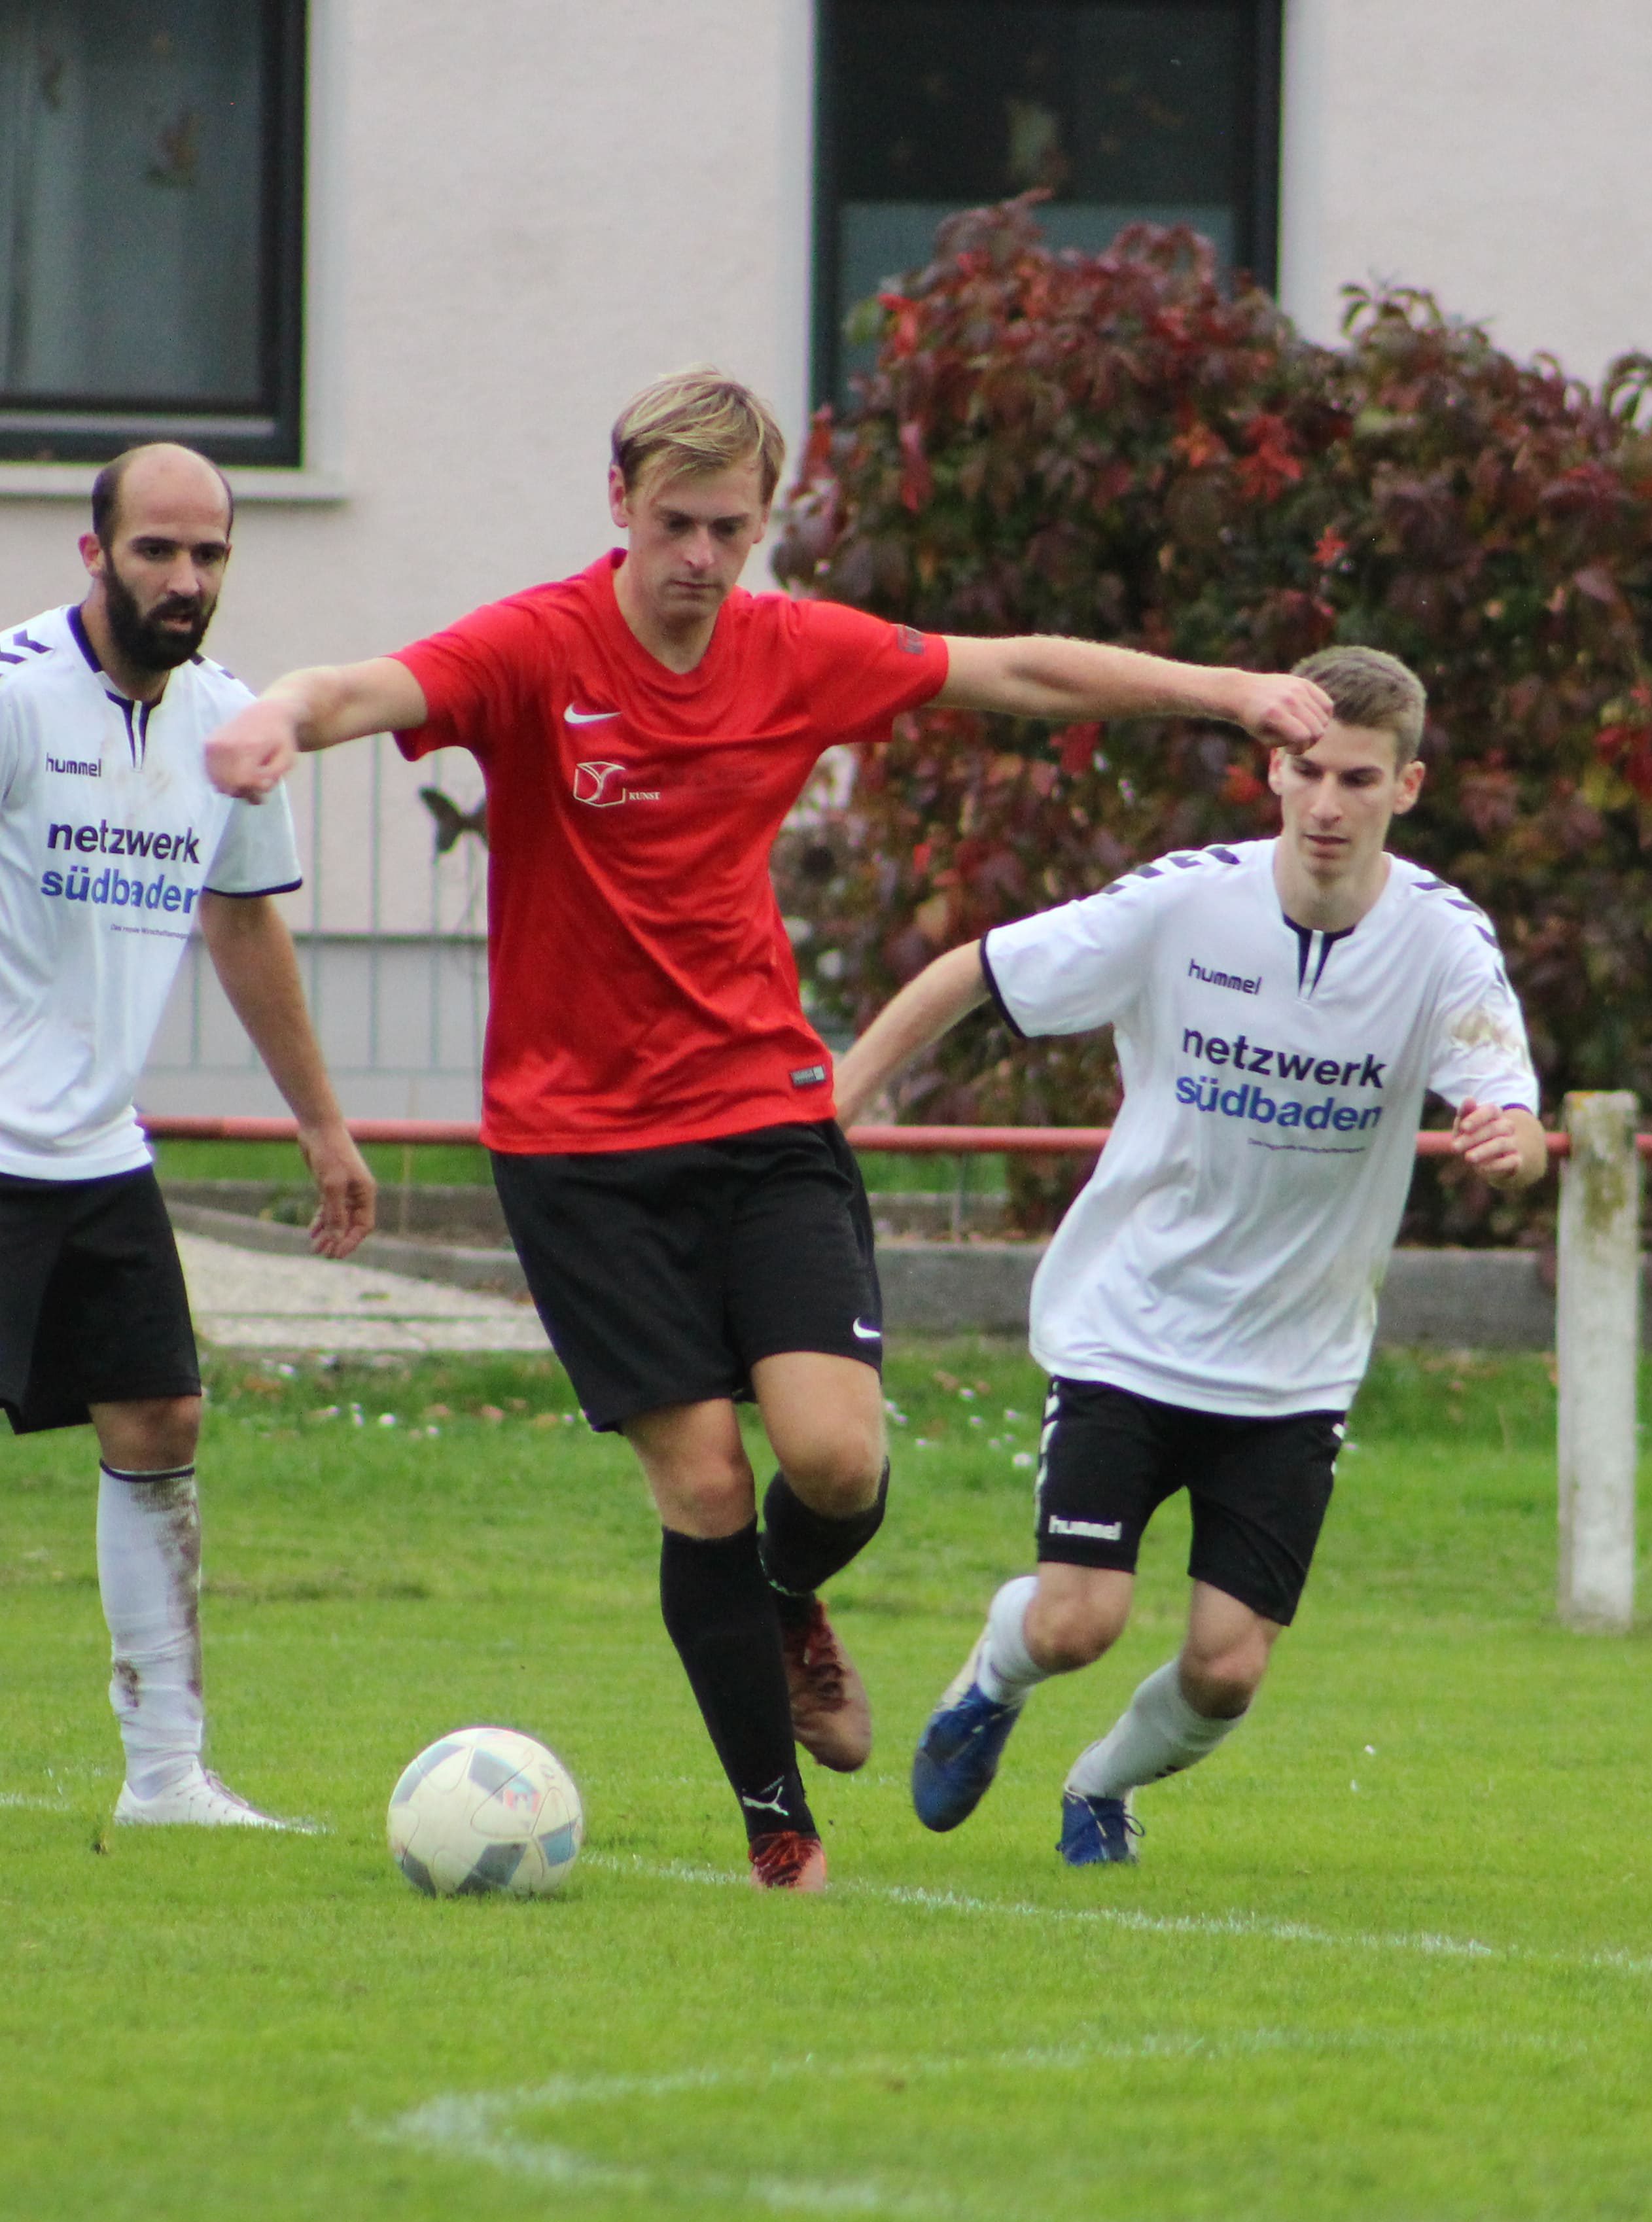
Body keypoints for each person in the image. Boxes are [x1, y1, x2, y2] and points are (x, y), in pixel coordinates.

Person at [203, 368, 1332, 1891]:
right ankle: (778, 1832)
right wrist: (277, 716)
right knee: (705, 1490)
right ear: (619, 501)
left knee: (837, 1464)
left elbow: (1014, 673)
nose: (700, 557)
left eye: (730, 530)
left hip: (762, 1119)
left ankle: (788, 1599)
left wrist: (1230, 692)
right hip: (578, 1154)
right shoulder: (539, 647)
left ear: (762, 525)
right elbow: (365, 690)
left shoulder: (793, 650)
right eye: (676, 522)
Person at [834, 646, 1548, 1865]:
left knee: (1227, 1670)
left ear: (1408, 786)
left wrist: (1510, 1145)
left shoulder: (1443, 942)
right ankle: (992, 1683)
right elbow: (974, 970)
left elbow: (1516, 1119)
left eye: (1358, 779)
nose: (1327, 804)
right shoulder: (1182, 904)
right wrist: (836, 1107)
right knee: (1076, 1625)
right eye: (1307, 771)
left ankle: (1100, 1787)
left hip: (1295, 1366)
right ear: (1273, 771)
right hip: (1132, 1326)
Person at [1, 444, 376, 1829]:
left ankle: (165, 1777)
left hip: (99, 1146)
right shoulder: (16, 696)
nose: (185, 577)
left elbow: (243, 920)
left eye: (208, 553)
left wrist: (323, 1125)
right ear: (94, 554)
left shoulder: (227, 722)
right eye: (156, 550)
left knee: (160, 1415)